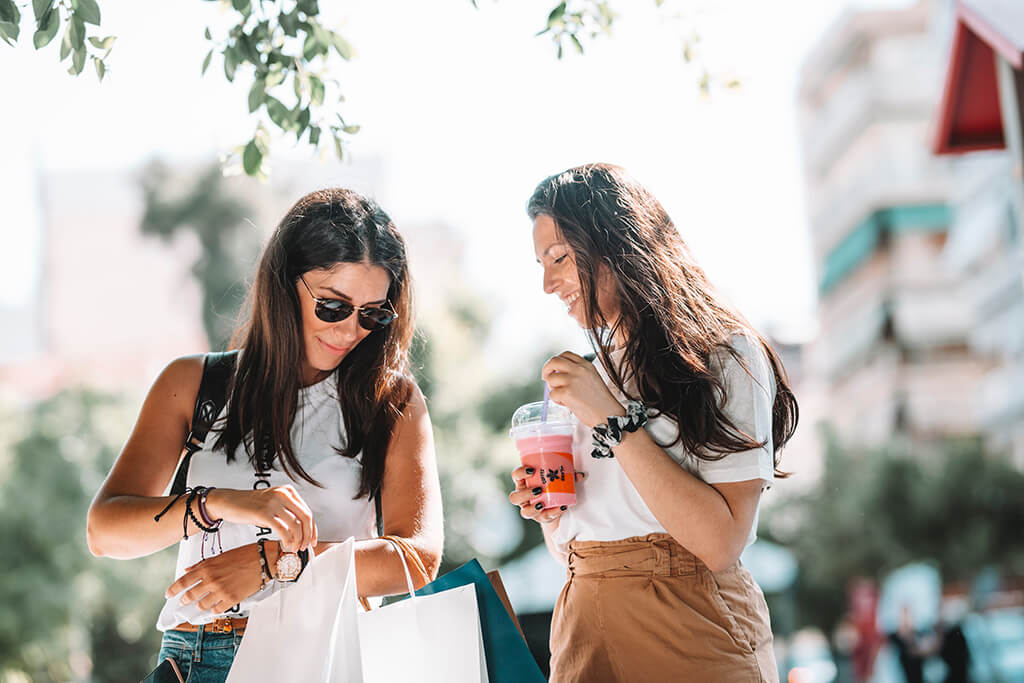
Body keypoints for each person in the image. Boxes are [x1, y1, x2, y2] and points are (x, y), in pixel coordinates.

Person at [87, 188, 443, 682]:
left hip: (321, 657)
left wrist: (272, 561)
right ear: (284, 283)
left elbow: (416, 558)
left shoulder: (391, 401)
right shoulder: (194, 385)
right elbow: (105, 533)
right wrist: (218, 503)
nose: (350, 332)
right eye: (334, 306)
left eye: (373, 314)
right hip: (197, 656)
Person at [509, 163, 798, 682]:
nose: (548, 283)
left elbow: (719, 542)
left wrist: (610, 416)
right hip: (582, 622)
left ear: (616, 245)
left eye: (559, 258)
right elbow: (581, 537)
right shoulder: (582, 378)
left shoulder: (724, 356)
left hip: (692, 622)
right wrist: (549, 513)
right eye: (540, 264)